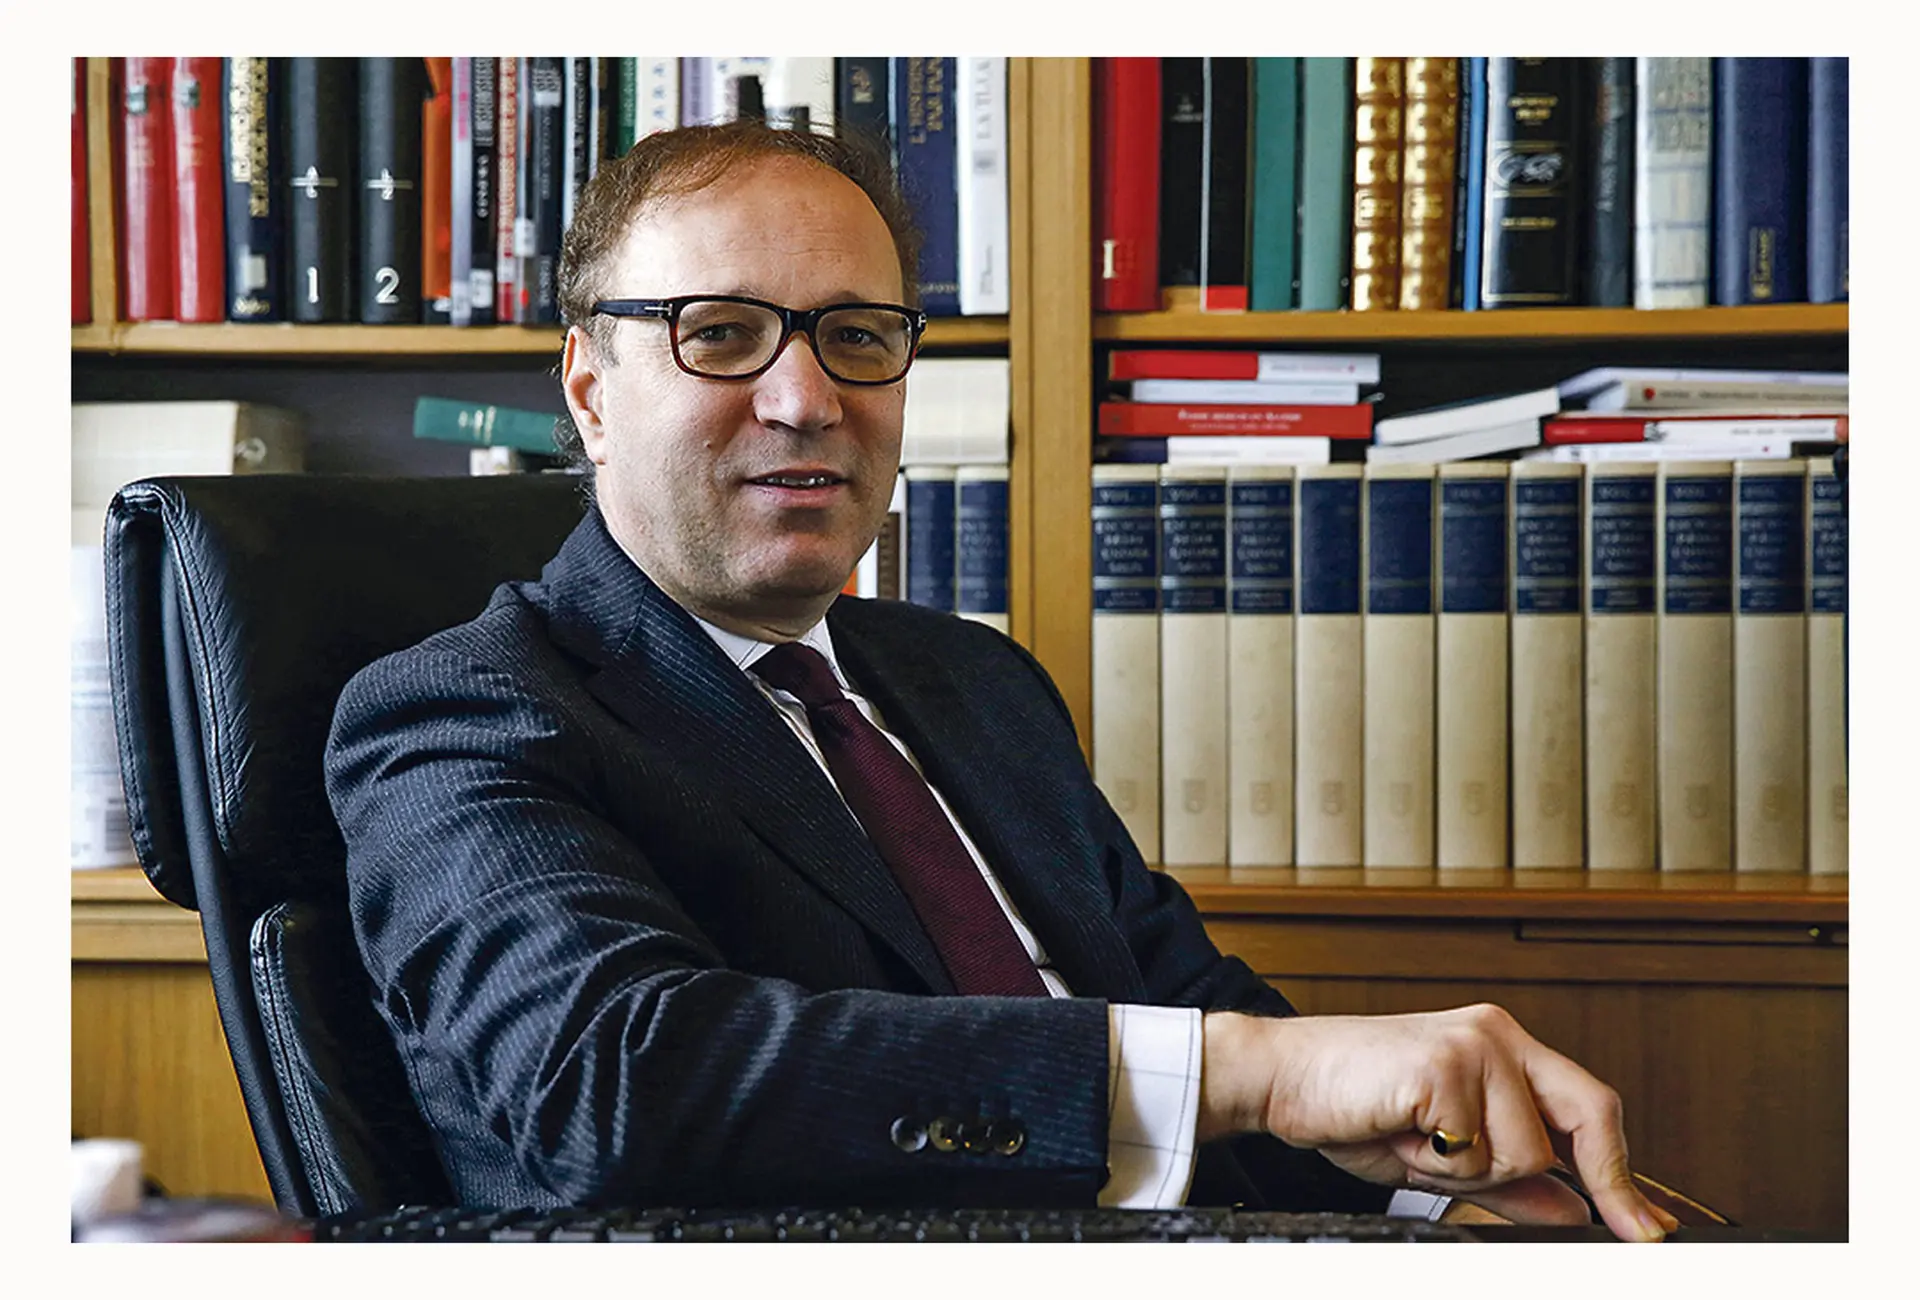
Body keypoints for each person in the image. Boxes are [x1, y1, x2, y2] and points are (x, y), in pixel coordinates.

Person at [325, 120, 1679, 1242]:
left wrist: (1427, 1187)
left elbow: (1195, 1020)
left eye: (859, 336)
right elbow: (612, 1086)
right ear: (589, 388)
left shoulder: (975, 683)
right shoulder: (463, 713)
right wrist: (1267, 1076)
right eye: (721, 333)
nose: (807, 399)